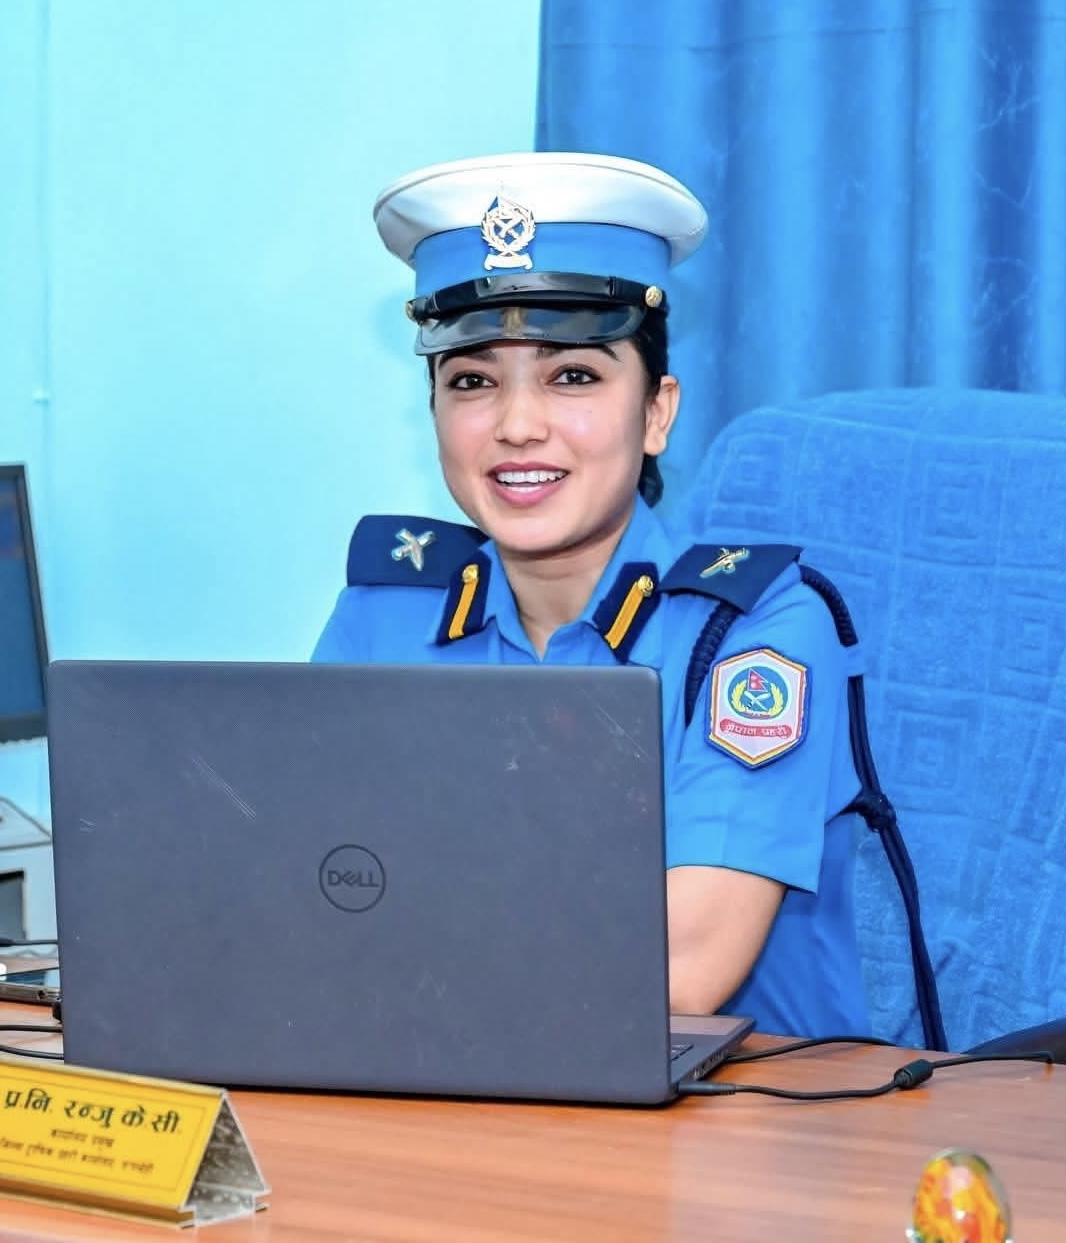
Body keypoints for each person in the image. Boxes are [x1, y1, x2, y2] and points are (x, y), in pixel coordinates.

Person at [311, 152, 872, 1040]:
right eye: (471, 381)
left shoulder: (754, 633)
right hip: (446, 1078)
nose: (516, 424)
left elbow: (685, 969)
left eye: (572, 376)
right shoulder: (385, 616)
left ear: (656, 413)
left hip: (745, 1105)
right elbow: (304, 895)